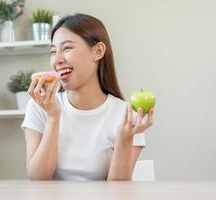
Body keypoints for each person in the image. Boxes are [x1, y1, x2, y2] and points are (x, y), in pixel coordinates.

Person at [21, 13, 154, 181]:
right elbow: (38, 179)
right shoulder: (40, 106)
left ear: (97, 51)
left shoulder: (127, 116)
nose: (57, 60)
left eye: (67, 48)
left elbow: (117, 191)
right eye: (53, 51)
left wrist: (124, 139)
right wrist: (53, 117)